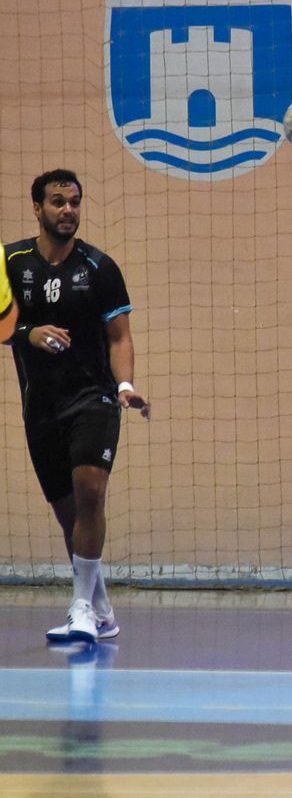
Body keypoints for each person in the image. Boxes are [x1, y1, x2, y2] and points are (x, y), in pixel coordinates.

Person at [5, 170, 150, 645]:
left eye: (74, 202)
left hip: (95, 397)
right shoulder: (9, 263)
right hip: (41, 406)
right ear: (37, 208)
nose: (68, 210)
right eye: (58, 202)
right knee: (70, 518)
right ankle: (102, 609)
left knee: (91, 491)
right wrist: (30, 333)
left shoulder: (99, 267)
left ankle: (81, 607)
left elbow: (120, 335)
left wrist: (125, 384)